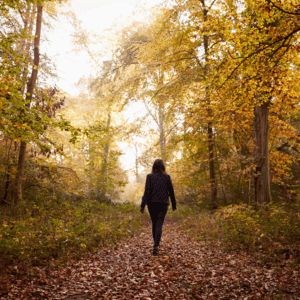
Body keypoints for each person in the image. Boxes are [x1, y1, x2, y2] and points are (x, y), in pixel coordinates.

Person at [140, 159, 177, 255]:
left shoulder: (150, 177)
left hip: (152, 204)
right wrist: (174, 204)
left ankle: (156, 244)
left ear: (153, 167)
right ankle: (156, 245)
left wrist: (143, 206)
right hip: (163, 204)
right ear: (163, 166)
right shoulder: (167, 177)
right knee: (159, 224)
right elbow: (171, 192)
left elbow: (147, 192)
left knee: (154, 223)